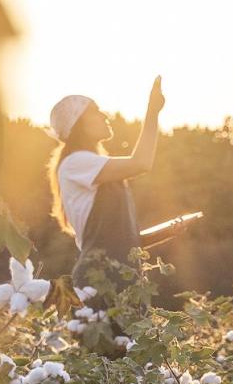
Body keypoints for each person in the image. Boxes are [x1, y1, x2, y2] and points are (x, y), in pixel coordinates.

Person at [47, 77, 166, 287]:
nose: (105, 115)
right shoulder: (75, 163)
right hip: (100, 280)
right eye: (95, 110)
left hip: (122, 279)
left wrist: (166, 231)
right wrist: (152, 112)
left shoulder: (97, 169)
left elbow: (119, 242)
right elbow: (141, 163)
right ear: (78, 123)